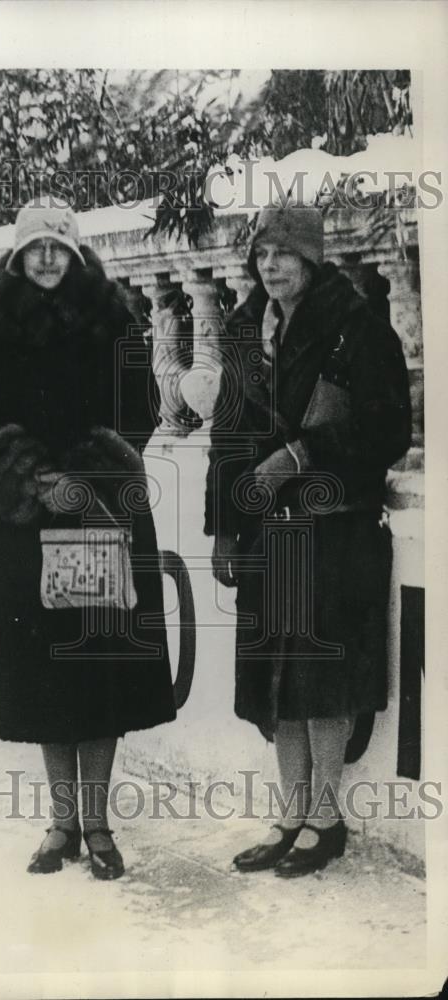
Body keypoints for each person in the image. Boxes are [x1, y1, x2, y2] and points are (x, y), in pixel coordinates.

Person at [0, 199, 176, 880]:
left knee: (97, 668)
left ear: (76, 254)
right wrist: (29, 475)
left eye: (58, 247)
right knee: (43, 672)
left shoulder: (113, 321)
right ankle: (60, 824)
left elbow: (140, 408)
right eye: (34, 248)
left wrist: (81, 475)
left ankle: (99, 824)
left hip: (96, 514)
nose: (46, 259)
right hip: (25, 521)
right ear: (17, 257)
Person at [204, 205, 411, 877]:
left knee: (324, 682)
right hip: (266, 533)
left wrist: (298, 456)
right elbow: (227, 441)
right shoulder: (242, 330)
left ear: (311, 260)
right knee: (276, 683)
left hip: (334, 529)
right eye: (262, 254)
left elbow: (386, 431)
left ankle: (324, 821)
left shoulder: (355, 327)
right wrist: (224, 529)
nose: (270, 266)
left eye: (284, 255)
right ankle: (290, 816)